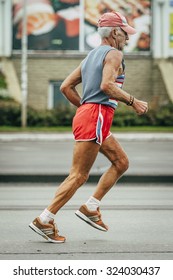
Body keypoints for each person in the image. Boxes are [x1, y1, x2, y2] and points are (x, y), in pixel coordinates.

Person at [29, 11, 148, 243]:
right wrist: (133, 102)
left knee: (121, 162)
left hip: (91, 115)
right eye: (125, 33)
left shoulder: (92, 55)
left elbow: (65, 87)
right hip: (96, 116)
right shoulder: (114, 53)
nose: (127, 38)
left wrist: (84, 107)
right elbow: (106, 85)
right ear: (114, 32)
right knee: (79, 175)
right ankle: (45, 219)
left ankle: (91, 207)